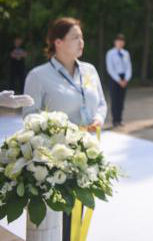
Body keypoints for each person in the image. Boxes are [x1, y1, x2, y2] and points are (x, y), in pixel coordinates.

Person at [22, 17, 107, 241]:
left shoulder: (89, 70)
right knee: (61, 219)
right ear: (57, 42)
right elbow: (29, 117)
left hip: (87, 154)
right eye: (75, 37)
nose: (82, 42)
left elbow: (100, 104)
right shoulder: (38, 76)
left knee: (80, 217)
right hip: (55, 160)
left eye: (82, 37)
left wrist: (98, 118)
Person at [106, 33, 132, 127]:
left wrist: (126, 79)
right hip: (114, 78)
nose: (120, 43)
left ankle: (120, 119)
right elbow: (110, 68)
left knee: (121, 100)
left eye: (122, 41)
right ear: (115, 42)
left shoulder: (126, 53)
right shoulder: (110, 53)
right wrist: (118, 80)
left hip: (124, 78)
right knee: (115, 100)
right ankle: (115, 120)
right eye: (118, 41)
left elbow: (128, 67)